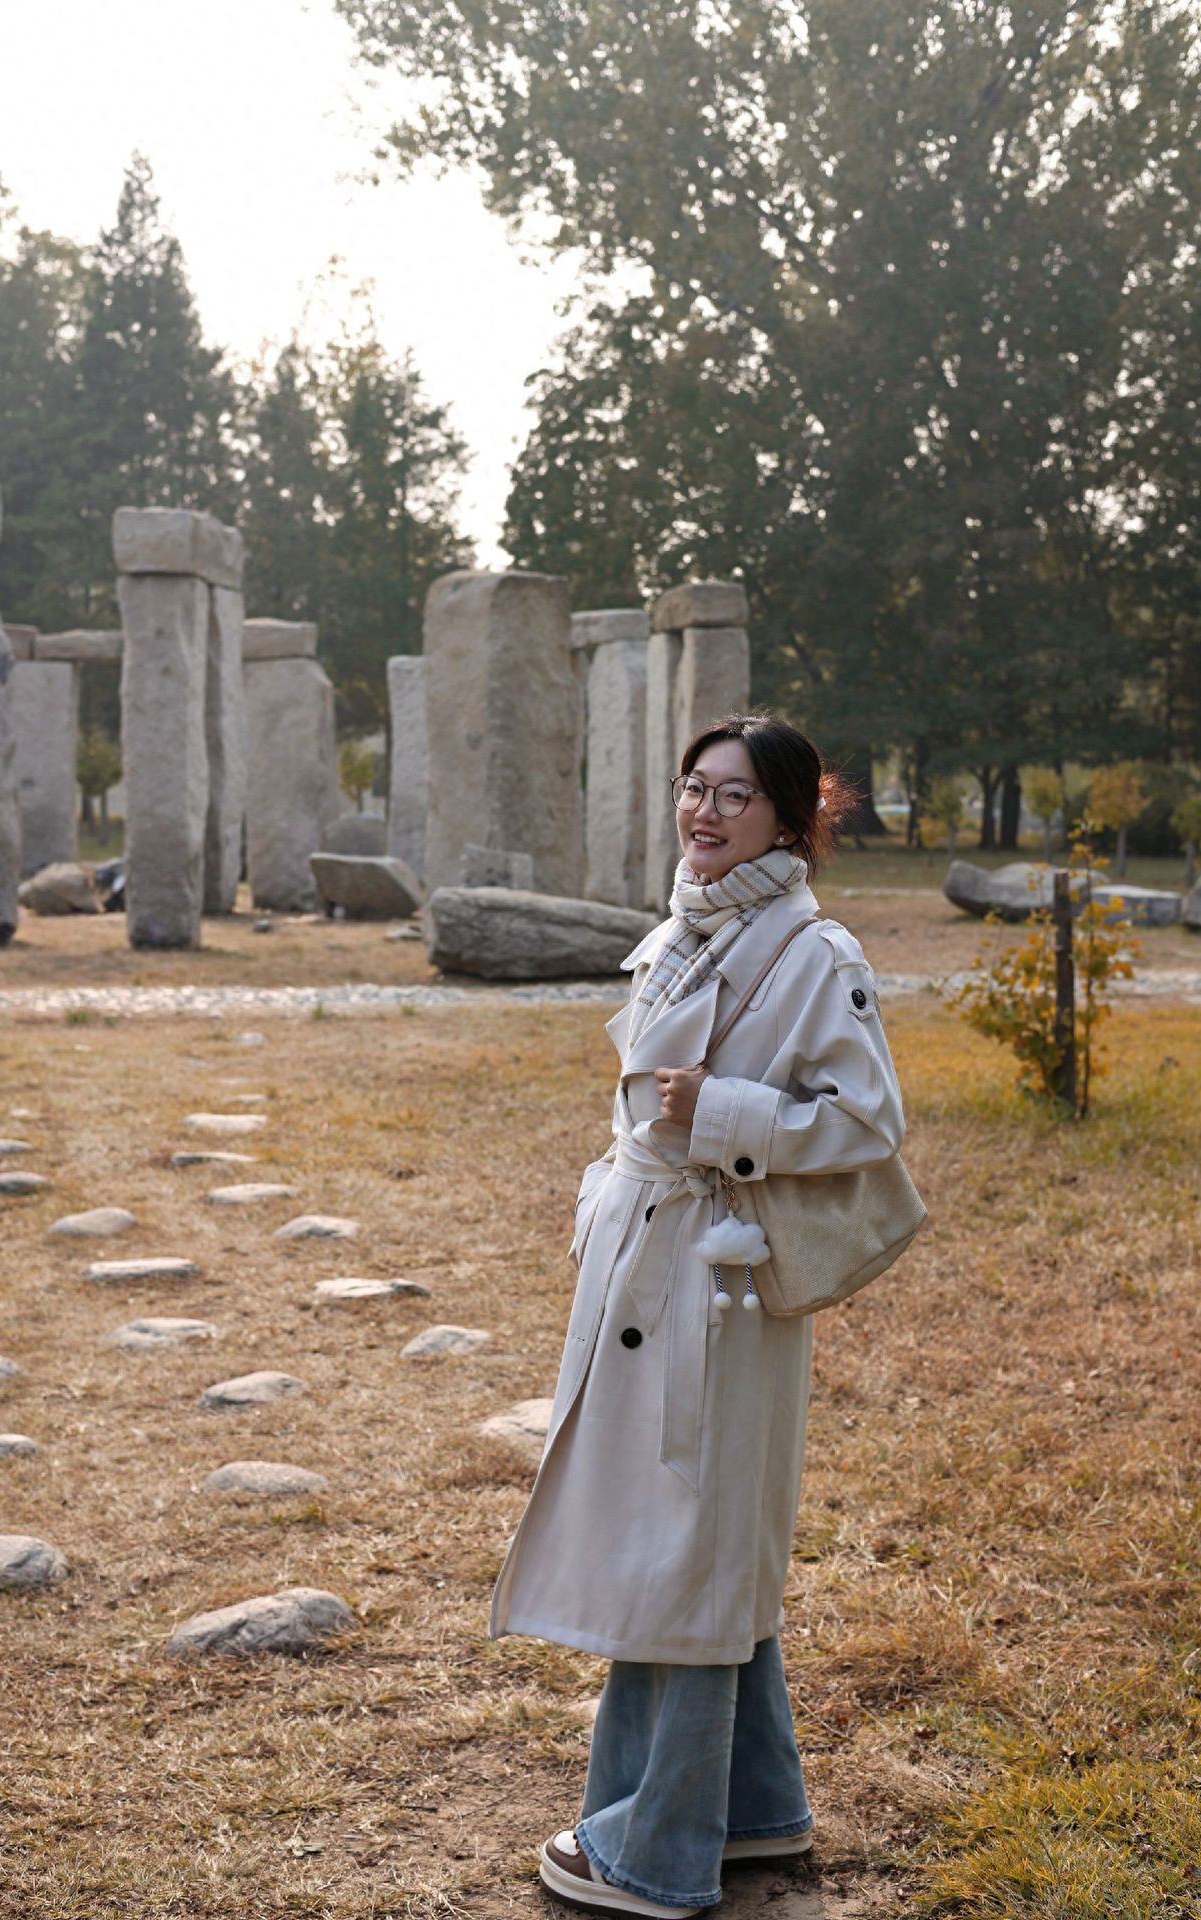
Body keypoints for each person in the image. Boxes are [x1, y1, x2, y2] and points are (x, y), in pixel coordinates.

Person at [487, 710, 909, 1918]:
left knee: (686, 1537)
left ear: (790, 817)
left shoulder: (813, 951)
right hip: (651, 1262)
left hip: (719, 1286)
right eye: (693, 788)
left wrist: (721, 1111)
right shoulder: (684, 926)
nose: (703, 813)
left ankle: (656, 1848)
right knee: (689, 1535)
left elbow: (866, 1121)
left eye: (733, 797)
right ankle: (754, 1813)